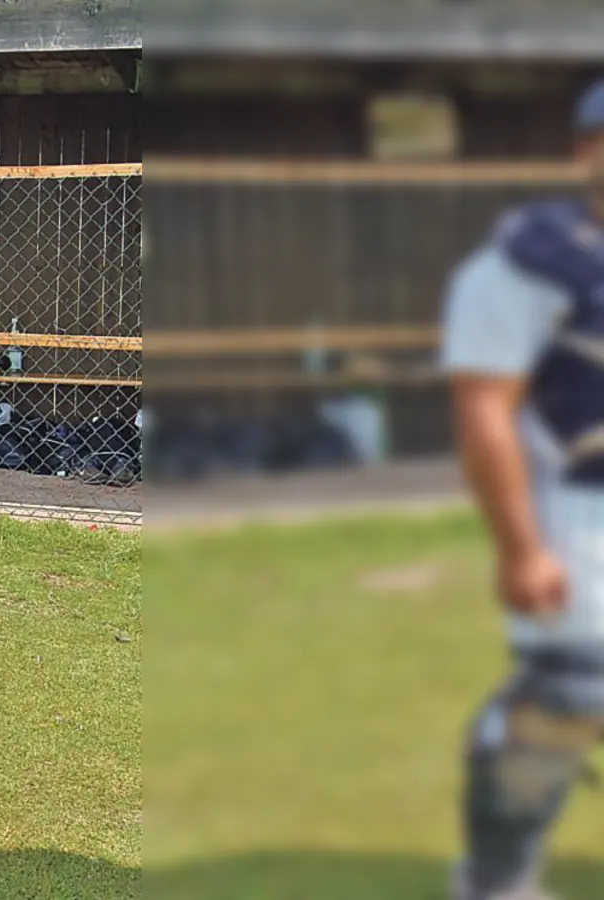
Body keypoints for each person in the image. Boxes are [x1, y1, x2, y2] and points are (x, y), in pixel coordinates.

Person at [441, 77, 604, 900]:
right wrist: (522, 545)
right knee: (568, 692)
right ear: (587, 149)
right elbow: (485, 410)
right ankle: (499, 876)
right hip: (580, 516)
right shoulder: (526, 262)